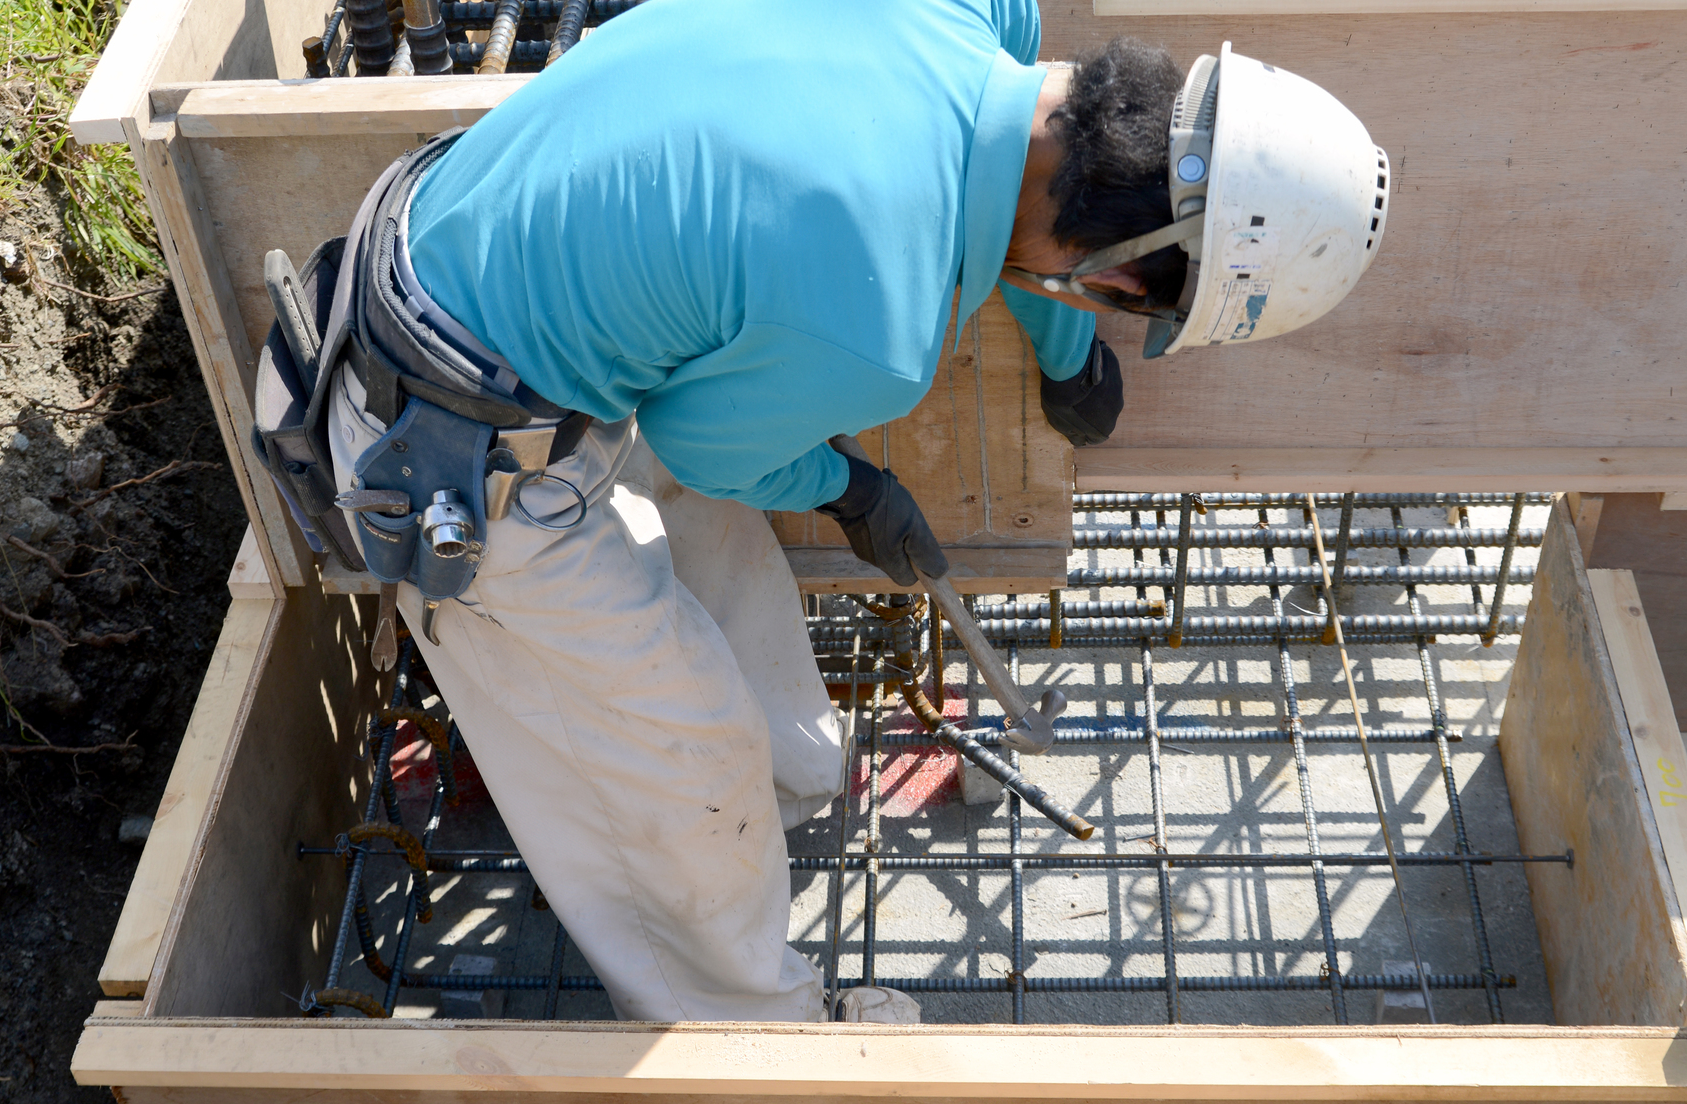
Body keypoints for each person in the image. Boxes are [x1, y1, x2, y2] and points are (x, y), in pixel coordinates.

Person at [260, 0, 1387, 1023]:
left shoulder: (945, 11)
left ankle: (792, 788)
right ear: (1118, 271)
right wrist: (852, 489)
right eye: (1122, 303)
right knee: (683, 759)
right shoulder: (880, 329)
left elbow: (1031, 164)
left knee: (735, 593)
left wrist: (1062, 337)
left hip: (452, 258)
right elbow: (705, 445)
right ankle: (746, 1019)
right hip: (429, 450)